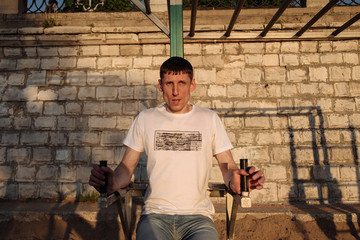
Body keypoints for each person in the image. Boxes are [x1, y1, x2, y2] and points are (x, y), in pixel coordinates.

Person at [89, 57, 265, 240]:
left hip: (198, 218)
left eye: (182, 83)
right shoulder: (146, 118)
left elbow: (227, 166)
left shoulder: (209, 118)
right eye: (169, 83)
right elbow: (126, 168)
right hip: (155, 216)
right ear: (160, 85)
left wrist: (236, 181)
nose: (175, 91)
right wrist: (111, 183)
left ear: (192, 84)